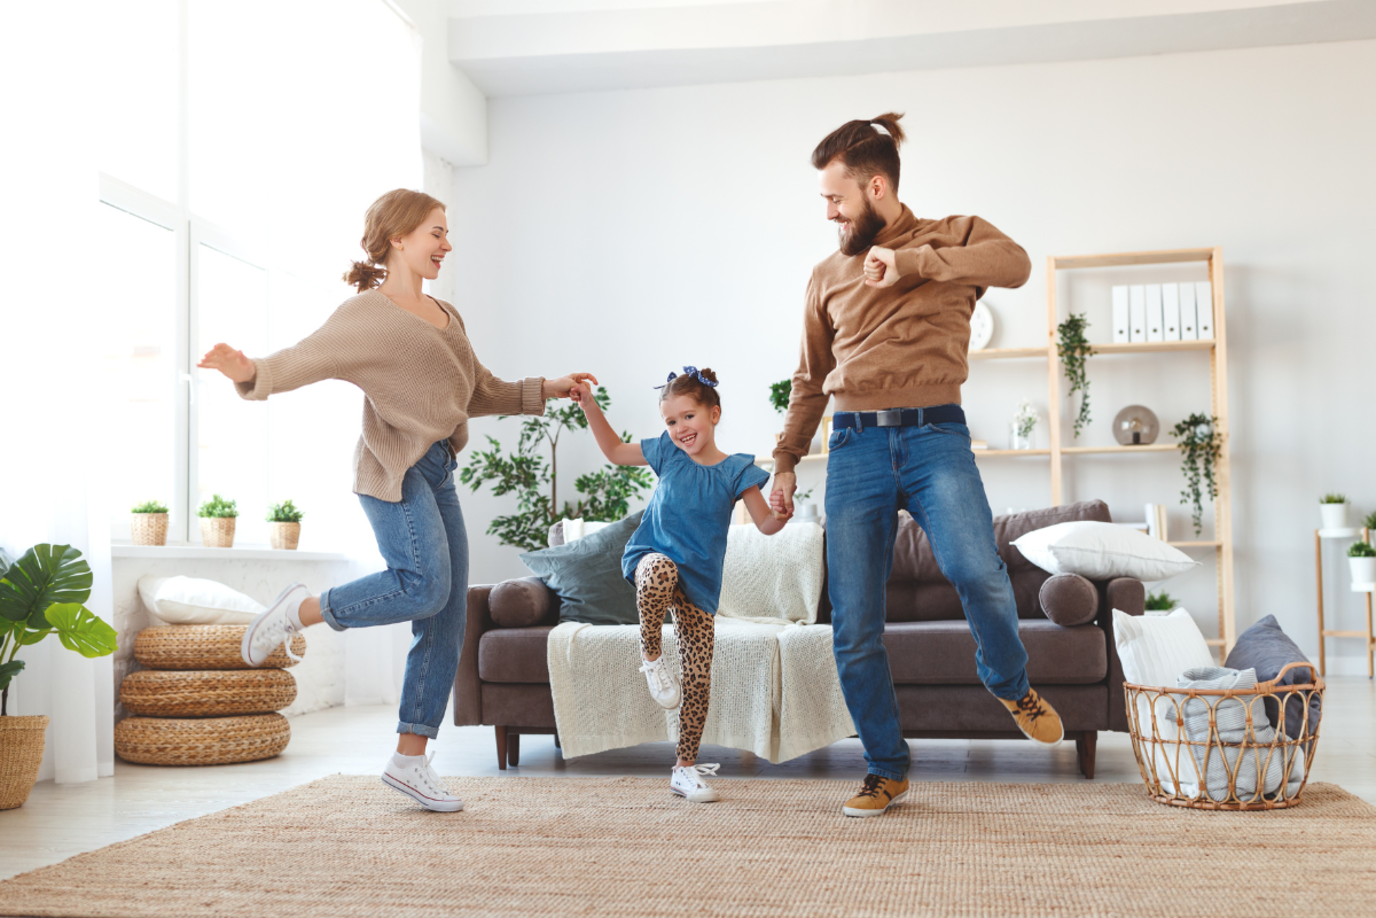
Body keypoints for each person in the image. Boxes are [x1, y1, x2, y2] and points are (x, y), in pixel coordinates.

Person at [198, 188, 593, 813]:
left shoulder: (447, 315)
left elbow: (478, 390)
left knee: (446, 617)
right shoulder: (366, 315)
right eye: (437, 231)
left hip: (437, 468)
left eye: (447, 232)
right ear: (399, 237)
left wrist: (549, 388)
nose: (446, 243)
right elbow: (301, 362)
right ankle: (303, 610)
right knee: (425, 585)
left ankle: (410, 761)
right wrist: (248, 370)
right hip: (392, 468)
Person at [769, 114, 1064, 819]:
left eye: (836, 198)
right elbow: (810, 379)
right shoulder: (825, 275)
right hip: (853, 445)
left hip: (937, 437)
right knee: (854, 623)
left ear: (877, 187)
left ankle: (1007, 679)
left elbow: (1016, 264)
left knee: (976, 570)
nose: (829, 213)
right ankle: (886, 769)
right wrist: (785, 460)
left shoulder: (955, 236)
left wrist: (916, 263)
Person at [572, 367, 789, 802]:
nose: (679, 429)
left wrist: (782, 512)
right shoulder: (667, 456)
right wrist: (589, 405)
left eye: (687, 418)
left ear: (714, 414)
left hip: (699, 584)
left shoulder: (737, 470)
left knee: (698, 678)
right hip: (652, 560)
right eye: (670, 422)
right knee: (660, 571)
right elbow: (614, 451)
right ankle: (650, 655)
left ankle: (684, 769)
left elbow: (765, 523)